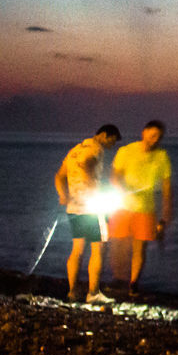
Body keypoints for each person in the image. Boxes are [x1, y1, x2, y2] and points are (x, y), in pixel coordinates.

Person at [55, 124, 122, 303]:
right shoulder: (96, 148)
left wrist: (64, 195)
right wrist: (95, 192)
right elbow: (87, 165)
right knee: (98, 247)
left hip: (74, 206)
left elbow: (59, 176)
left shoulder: (75, 150)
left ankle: (72, 292)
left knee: (77, 249)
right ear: (104, 135)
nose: (112, 146)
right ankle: (93, 293)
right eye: (112, 141)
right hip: (92, 207)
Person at [109, 119, 173, 295]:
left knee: (139, 247)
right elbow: (115, 176)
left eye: (158, 137)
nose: (154, 140)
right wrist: (122, 191)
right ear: (143, 132)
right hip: (123, 206)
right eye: (152, 135)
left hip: (146, 208)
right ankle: (118, 278)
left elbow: (166, 185)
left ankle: (133, 282)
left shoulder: (161, 156)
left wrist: (165, 214)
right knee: (118, 243)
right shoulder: (126, 151)